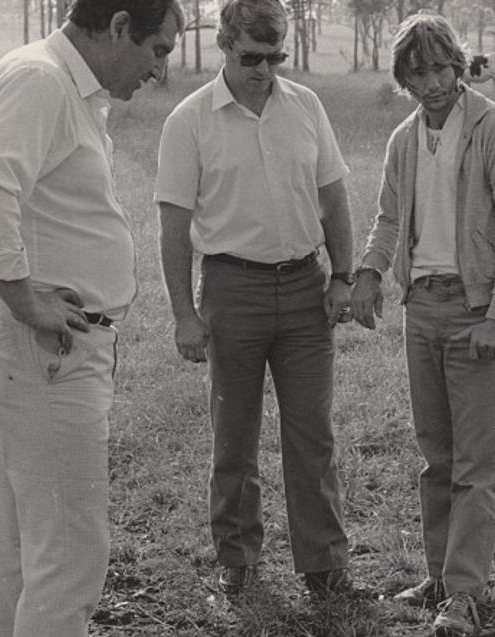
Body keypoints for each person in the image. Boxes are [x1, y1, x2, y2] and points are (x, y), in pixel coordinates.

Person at [0, 0, 184, 637]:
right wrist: (18, 292)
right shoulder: (39, 83)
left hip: (42, 349)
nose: (160, 67)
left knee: (20, 547)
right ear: (115, 27)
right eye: (156, 47)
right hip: (50, 352)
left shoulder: (63, 90)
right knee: (70, 548)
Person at [156, 0, 355, 601]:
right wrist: (184, 317)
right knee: (234, 434)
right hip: (231, 289)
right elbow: (172, 227)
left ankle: (323, 565)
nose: (265, 70)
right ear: (223, 46)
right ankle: (238, 560)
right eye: (251, 58)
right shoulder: (189, 121)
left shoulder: (307, 108)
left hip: (303, 289)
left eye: (276, 57)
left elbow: (334, 197)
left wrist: (342, 275)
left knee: (311, 433)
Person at [350, 13, 495, 637]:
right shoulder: (404, 138)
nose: (430, 83)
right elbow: (386, 216)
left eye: (439, 68)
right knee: (435, 455)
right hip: (421, 309)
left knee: (474, 464)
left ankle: (465, 594)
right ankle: (438, 576)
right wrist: (370, 274)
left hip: (473, 310)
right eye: (416, 72)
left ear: (459, 65)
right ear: (403, 77)